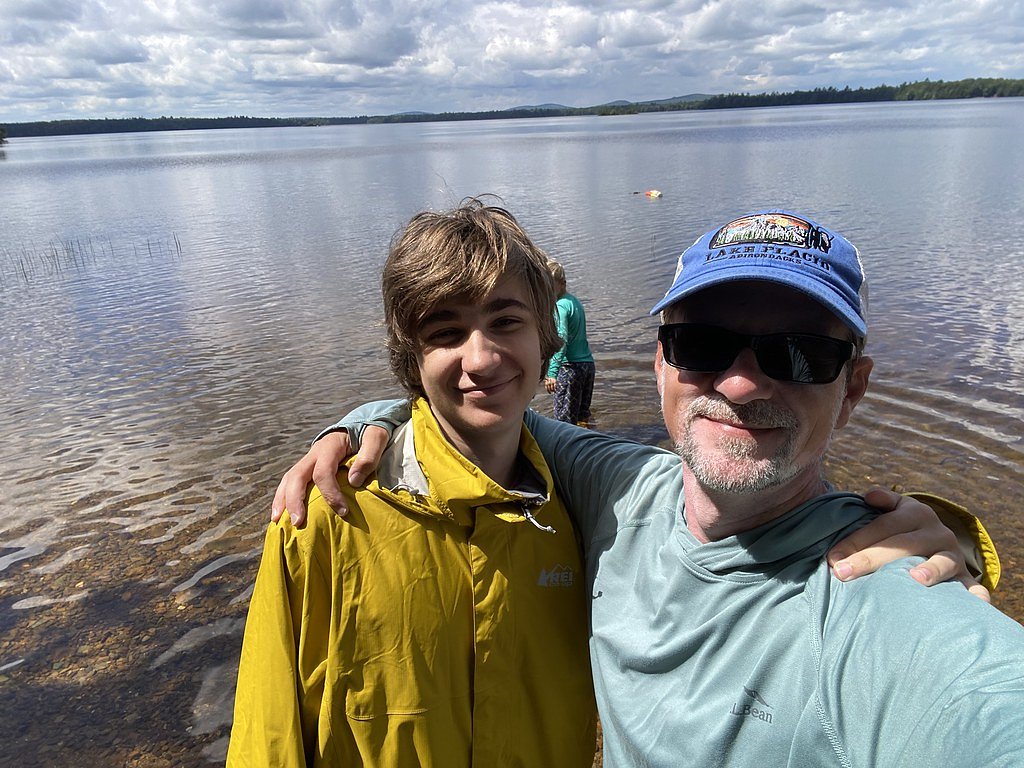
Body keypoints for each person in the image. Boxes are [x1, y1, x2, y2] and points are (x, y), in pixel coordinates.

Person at [272, 210, 1016, 765]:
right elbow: (477, 420)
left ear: (853, 389)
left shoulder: (875, 589)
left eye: (799, 353)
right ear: (660, 364)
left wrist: (957, 543)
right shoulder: (617, 486)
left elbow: (977, 699)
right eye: (703, 345)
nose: (739, 381)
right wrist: (364, 422)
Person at [227, 199, 598, 766]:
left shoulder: (587, 508)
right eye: (447, 331)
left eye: (506, 321)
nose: (482, 357)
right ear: (412, 358)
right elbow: (266, 730)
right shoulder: (324, 511)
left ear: (544, 335)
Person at [544, 260, 596, 426]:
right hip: (587, 366)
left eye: (550, 287)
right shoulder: (574, 302)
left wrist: (552, 372)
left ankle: (564, 451)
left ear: (562, 284)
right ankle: (586, 446)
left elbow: (562, 339)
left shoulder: (560, 306)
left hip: (570, 370)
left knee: (564, 421)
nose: (547, 291)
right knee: (582, 415)